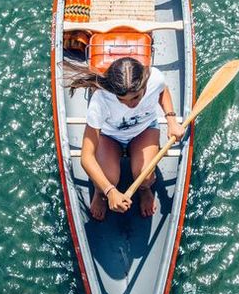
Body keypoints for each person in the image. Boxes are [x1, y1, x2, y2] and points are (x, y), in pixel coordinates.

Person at [69, 57, 185, 220]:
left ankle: (144, 190)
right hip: (110, 136)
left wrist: (171, 120)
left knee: (145, 177)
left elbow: (163, 91)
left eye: (136, 97)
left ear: (144, 84)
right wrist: (110, 191)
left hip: (144, 130)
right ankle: (101, 193)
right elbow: (86, 157)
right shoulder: (101, 99)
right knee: (107, 180)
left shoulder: (155, 78)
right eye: (122, 99)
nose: (130, 104)